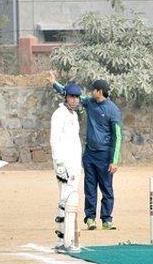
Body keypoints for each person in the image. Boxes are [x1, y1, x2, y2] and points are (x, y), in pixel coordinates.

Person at [49, 73, 122, 230]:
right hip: (89, 155)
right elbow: (70, 95)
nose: (90, 93)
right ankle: (90, 219)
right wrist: (55, 83)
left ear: (99, 91)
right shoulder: (90, 103)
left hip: (104, 155)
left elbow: (118, 137)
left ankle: (107, 219)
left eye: (93, 90)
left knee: (106, 188)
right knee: (90, 187)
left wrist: (114, 160)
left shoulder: (113, 110)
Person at [50, 82, 83, 252]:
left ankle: (67, 239)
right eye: (72, 96)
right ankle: (62, 241)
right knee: (65, 199)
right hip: (64, 164)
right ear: (65, 97)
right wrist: (59, 163)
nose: (75, 100)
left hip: (75, 163)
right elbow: (54, 140)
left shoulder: (74, 115)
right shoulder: (59, 114)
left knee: (71, 198)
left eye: (77, 97)